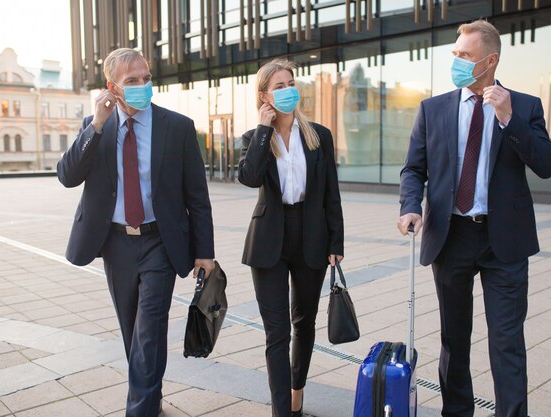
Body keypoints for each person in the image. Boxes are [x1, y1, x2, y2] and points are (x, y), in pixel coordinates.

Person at [397, 20, 551, 417]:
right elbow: (413, 169)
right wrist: (410, 206)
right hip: (450, 238)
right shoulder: (432, 109)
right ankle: (456, 412)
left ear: (490, 60)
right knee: (455, 339)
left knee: (506, 340)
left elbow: (547, 164)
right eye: (455, 54)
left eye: (465, 56)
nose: (457, 62)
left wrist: (508, 119)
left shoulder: (524, 106)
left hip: (504, 240)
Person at [57, 48, 214, 417]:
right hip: (115, 244)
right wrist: (96, 124)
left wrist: (204, 251)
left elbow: (198, 196)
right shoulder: (95, 127)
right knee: (133, 333)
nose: (143, 85)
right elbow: (67, 176)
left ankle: (139, 410)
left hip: (160, 241)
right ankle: (151, 399)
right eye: (132, 81)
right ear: (111, 87)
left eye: (146, 78)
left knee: (149, 332)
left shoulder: (177, 127)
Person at [238, 59, 344, 417]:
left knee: (304, 324)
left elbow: (332, 193)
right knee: (277, 333)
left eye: (290, 83)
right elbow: (250, 178)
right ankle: (282, 412)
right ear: (264, 95)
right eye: (279, 86)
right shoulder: (254, 138)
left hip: (311, 236)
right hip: (269, 239)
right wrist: (264, 130)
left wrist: (336, 243)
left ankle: (296, 396)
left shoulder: (318, 136)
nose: (287, 90)